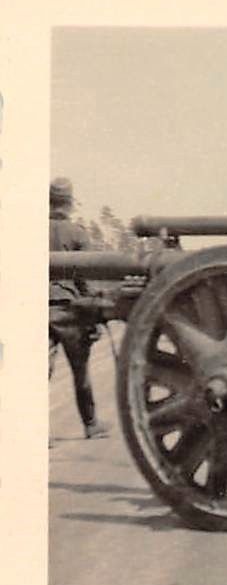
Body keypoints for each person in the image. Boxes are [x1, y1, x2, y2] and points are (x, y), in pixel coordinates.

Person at [49, 177, 109, 440]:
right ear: (70, 204)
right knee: (80, 371)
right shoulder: (77, 233)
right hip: (70, 309)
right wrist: (94, 313)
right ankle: (91, 424)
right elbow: (85, 280)